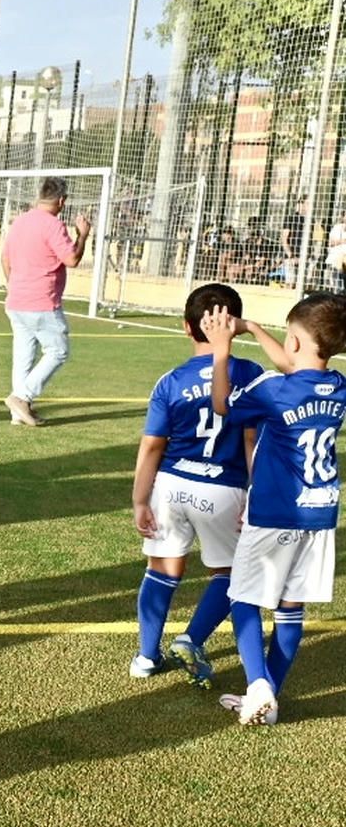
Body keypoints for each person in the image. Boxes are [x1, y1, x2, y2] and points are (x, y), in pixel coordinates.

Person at [202, 294, 346, 726]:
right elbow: (297, 366)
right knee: (290, 607)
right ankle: (266, 701)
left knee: (242, 598)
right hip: (320, 515)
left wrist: (223, 349)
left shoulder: (273, 389)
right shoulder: (338, 386)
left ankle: (259, 684)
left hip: (275, 511)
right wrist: (253, 328)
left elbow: (223, 406)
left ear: (297, 342)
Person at [129, 283, 263, 684]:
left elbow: (153, 445)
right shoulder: (251, 375)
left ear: (188, 328)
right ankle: (191, 637)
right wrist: (255, 494)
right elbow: (251, 439)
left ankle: (146, 657)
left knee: (162, 568)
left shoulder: (170, 381)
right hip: (224, 489)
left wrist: (140, 499)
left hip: (170, 485)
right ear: (234, 327)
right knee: (232, 574)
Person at [0, 176, 91, 426]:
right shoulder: (53, 225)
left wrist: (15, 285)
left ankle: (18, 413)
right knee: (58, 350)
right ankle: (21, 397)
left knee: (23, 356)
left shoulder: (20, 221)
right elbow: (71, 259)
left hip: (16, 301)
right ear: (62, 200)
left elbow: (5, 259)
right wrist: (82, 235)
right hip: (41, 302)